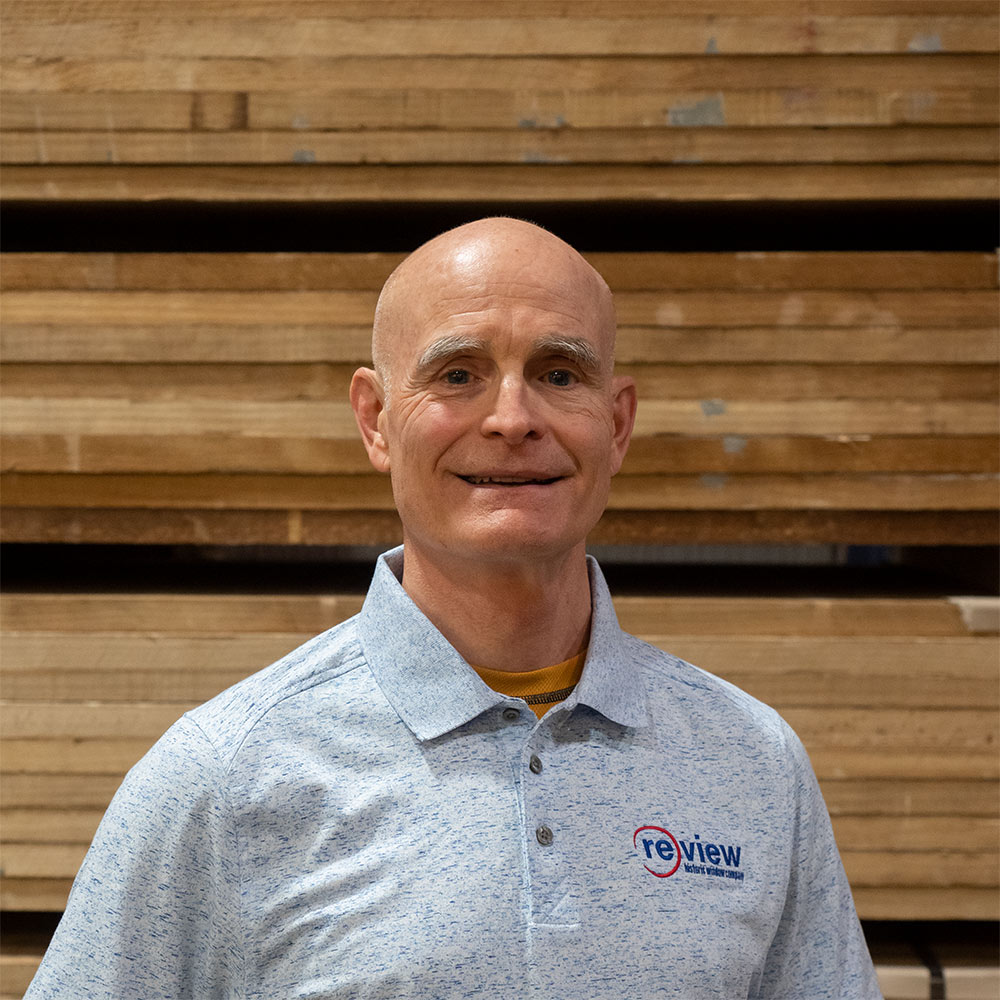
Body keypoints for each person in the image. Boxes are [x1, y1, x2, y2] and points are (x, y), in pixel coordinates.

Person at [26, 218, 880, 999]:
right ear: (376, 420)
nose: (513, 419)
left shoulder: (751, 764)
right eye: (459, 374)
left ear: (616, 425)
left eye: (558, 373)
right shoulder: (228, 774)